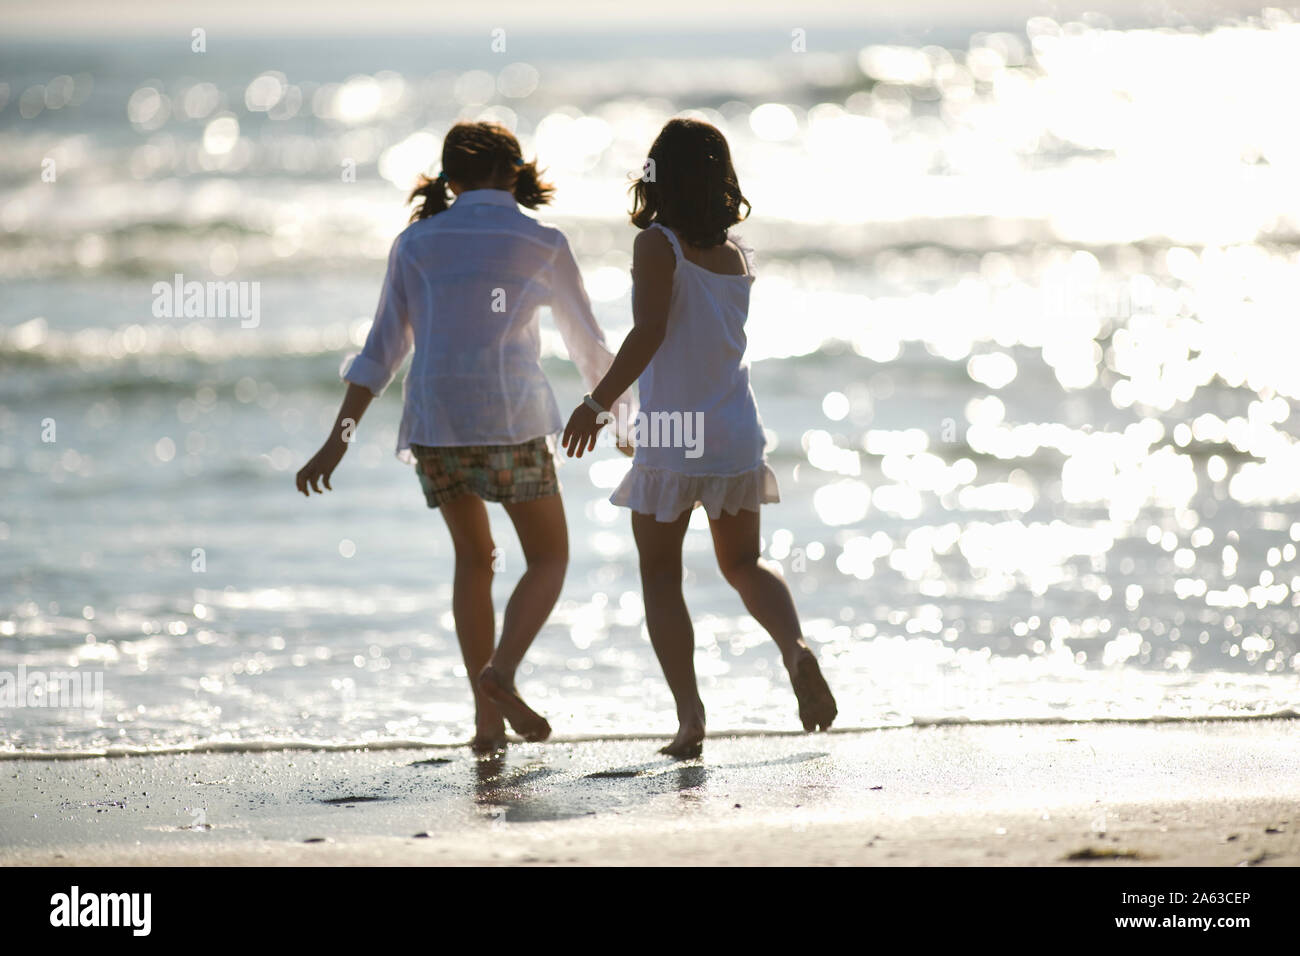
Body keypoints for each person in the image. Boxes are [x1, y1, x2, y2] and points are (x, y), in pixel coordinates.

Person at [297, 122, 632, 753]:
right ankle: (501, 671)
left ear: (450, 182)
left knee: (474, 562)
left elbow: (381, 352)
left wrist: (338, 439)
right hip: (510, 418)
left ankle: (486, 724)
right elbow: (587, 343)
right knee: (549, 559)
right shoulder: (543, 241)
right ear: (514, 173)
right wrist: (620, 416)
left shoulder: (416, 242)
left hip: (436, 425)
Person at [562, 118, 837, 758]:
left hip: (674, 434)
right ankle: (795, 652)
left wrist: (596, 403)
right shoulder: (736, 253)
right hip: (736, 431)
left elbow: (650, 332)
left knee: (661, 577)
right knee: (743, 564)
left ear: (658, 174)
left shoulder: (658, 245)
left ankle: (690, 720)